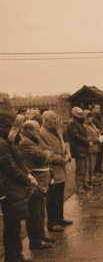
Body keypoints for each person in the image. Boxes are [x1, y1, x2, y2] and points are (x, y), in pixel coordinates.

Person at [0, 111, 36, 262]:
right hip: (10, 188)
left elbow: (17, 163)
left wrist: (27, 174)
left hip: (14, 187)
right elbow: (10, 168)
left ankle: (16, 255)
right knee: (12, 225)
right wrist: (27, 179)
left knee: (14, 224)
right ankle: (13, 257)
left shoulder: (8, 141)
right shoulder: (3, 143)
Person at [19, 120, 55, 250]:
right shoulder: (25, 143)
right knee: (34, 213)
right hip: (35, 182)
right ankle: (35, 241)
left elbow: (49, 149)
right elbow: (42, 157)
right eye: (36, 130)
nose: (38, 132)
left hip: (42, 181)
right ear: (28, 130)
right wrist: (46, 154)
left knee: (41, 211)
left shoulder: (35, 140)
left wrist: (46, 153)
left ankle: (41, 235)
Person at [40, 111, 73, 233]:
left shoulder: (56, 131)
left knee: (59, 195)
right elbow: (46, 153)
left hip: (61, 169)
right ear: (45, 120)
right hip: (52, 170)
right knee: (52, 197)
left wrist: (67, 153)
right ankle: (52, 223)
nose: (54, 121)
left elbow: (63, 144)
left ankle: (60, 218)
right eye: (52, 120)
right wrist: (62, 159)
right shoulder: (42, 133)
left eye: (55, 119)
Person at [66, 107, 90, 194]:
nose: (81, 115)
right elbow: (77, 136)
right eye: (79, 114)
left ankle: (84, 183)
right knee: (80, 169)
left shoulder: (79, 122)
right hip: (78, 148)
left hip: (83, 148)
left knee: (85, 167)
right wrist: (87, 141)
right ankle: (79, 186)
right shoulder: (72, 123)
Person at [84, 110, 103, 187]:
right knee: (90, 164)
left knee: (93, 164)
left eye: (91, 117)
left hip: (96, 147)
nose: (91, 118)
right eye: (89, 117)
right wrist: (97, 139)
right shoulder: (85, 126)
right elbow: (89, 137)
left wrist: (100, 134)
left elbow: (97, 132)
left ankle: (92, 178)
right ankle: (89, 179)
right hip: (91, 148)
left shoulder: (92, 124)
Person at [92, 104, 103, 175]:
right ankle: (96, 170)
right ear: (93, 109)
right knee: (97, 154)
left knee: (101, 153)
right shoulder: (92, 117)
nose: (98, 109)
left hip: (102, 137)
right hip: (97, 137)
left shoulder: (100, 116)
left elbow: (102, 125)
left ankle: (100, 168)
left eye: (99, 108)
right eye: (97, 108)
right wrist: (100, 130)